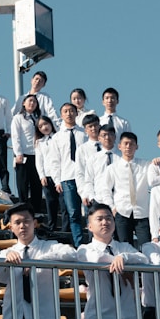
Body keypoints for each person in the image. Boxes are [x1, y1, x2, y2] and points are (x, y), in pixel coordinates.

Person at [76, 203, 149, 319]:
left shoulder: (124, 247)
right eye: (99, 219)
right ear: (89, 226)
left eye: (109, 218)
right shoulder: (84, 249)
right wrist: (117, 260)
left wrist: (123, 257)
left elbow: (144, 259)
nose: (105, 222)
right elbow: (95, 259)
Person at [99, 131, 151, 247]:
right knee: (124, 247)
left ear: (136, 147)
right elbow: (105, 190)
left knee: (147, 246)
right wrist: (112, 207)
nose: (128, 147)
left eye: (131, 144)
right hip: (121, 212)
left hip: (142, 212)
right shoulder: (112, 168)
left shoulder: (146, 165)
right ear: (119, 146)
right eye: (125, 143)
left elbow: (156, 179)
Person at [48, 103, 87, 246]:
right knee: (73, 213)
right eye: (65, 111)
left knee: (91, 213)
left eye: (72, 111)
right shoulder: (57, 138)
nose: (69, 113)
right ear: (61, 115)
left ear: (77, 113)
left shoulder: (84, 134)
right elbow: (54, 161)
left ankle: (94, 243)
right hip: (67, 178)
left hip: (85, 178)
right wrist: (57, 180)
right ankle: (79, 244)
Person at [34, 116, 68, 231]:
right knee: (51, 203)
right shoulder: (39, 142)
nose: (44, 127)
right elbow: (39, 160)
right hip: (48, 176)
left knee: (63, 203)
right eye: (40, 126)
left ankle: (65, 228)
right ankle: (52, 227)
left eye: (46, 124)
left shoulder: (58, 137)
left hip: (60, 174)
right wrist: (41, 175)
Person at [11, 94, 43, 211]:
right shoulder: (18, 118)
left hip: (37, 155)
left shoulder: (38, 119)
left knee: (36, 185)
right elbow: (16, 137)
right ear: (23, 103)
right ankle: (23, 209)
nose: (32, 103)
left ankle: (36, 211)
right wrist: (18, 153)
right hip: (23, 155)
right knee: (23, 184)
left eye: (34, 102)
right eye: (30, 101)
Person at [74, 114, 102, 207]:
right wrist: (83, 194)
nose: (93, 128)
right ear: (85, 130)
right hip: (92, 193)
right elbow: (79, 172)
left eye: (95, 125)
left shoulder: (109, 147)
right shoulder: (82, 149)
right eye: (90, 126)